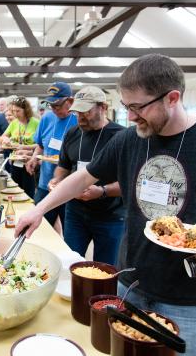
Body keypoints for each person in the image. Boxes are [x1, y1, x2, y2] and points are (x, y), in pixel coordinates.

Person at [15, 54, 196, 356]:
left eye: (138, 107)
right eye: (126, 107)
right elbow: (83, 176)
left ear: (172, 98)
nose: (131, 116)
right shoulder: (129, 140)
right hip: (132, 283)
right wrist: (38, 210)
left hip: (190, 295)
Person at [50, 86, 125, 264]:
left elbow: (131, 182)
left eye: (86, 112)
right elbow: (64, 166)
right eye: (77, 112)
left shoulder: (121, 137)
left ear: (103, 107)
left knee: (105, 270)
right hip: (75, 213)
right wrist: (57, 180)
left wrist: (102, 191)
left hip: (111, 216)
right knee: (70, 263)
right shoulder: (73, 133)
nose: (80, 117)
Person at [26, 82, 77, 231]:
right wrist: (34, 157)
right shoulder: (47, 118)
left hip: (69, 188)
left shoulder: (79, 121)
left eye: (58, 106)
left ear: (70, 101)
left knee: (69, 234)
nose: (54, 110)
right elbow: (41, 145)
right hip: (45, 185)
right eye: (51, 106)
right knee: (38, 229)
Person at [0, 96, 40, 198]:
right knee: (15, 191)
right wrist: (5, 140)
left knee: (28, 193)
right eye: (13, 111)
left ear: (26, 110)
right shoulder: (14, 123)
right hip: (15, 161)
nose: (15, 114)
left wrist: (24, 147)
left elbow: (41, 145)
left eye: (18, 111)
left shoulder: (36, 122)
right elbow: (2, 138)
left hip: (29, 162)